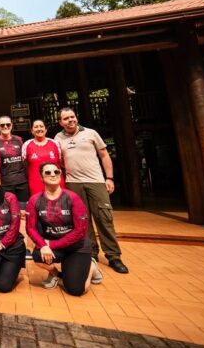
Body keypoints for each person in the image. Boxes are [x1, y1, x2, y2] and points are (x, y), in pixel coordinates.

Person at [54, 107, 129, 274]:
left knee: (104, 217)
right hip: (73, 183)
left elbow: (104, 155)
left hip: (96, 181)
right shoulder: (58, 138)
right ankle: (91, 253)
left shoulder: (91, 133)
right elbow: (60, 161)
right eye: (66, 118)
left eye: (72, 116)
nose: (70, 120)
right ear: (60, 122)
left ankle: (113, 256)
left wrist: (108, 178)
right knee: (82, 220)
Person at [26, 162, 102, 296]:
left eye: (56, 172)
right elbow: (30, 228)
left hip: (77, 247)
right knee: (37, 255)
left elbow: (80, 232)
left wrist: (51, 244)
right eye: (48, 172)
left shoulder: (73, 198)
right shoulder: (35, 200)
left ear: (60, 175)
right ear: (41, 177)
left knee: (77, 290)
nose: (53, 174)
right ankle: (55, 274)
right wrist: (43, 245)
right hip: (55, 248)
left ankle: (91, 266)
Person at [0, 115, 29, 206]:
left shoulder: (19, 139)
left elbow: (25, 159)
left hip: (22, 182)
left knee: (23, 211)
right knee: (7, 212)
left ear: (12, 125)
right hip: (5, 183)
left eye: (8, 124)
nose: (5, 126)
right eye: (2, 125)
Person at [22, 119, 64, 196]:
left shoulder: (55, 143)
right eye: (36, 127)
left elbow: (61, 162)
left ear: (46, 129)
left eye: (41, 126)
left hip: (56, 182)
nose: (39, 129)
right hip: (35, 183)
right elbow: (24, 165)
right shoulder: (26, 145)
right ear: (32, 131)